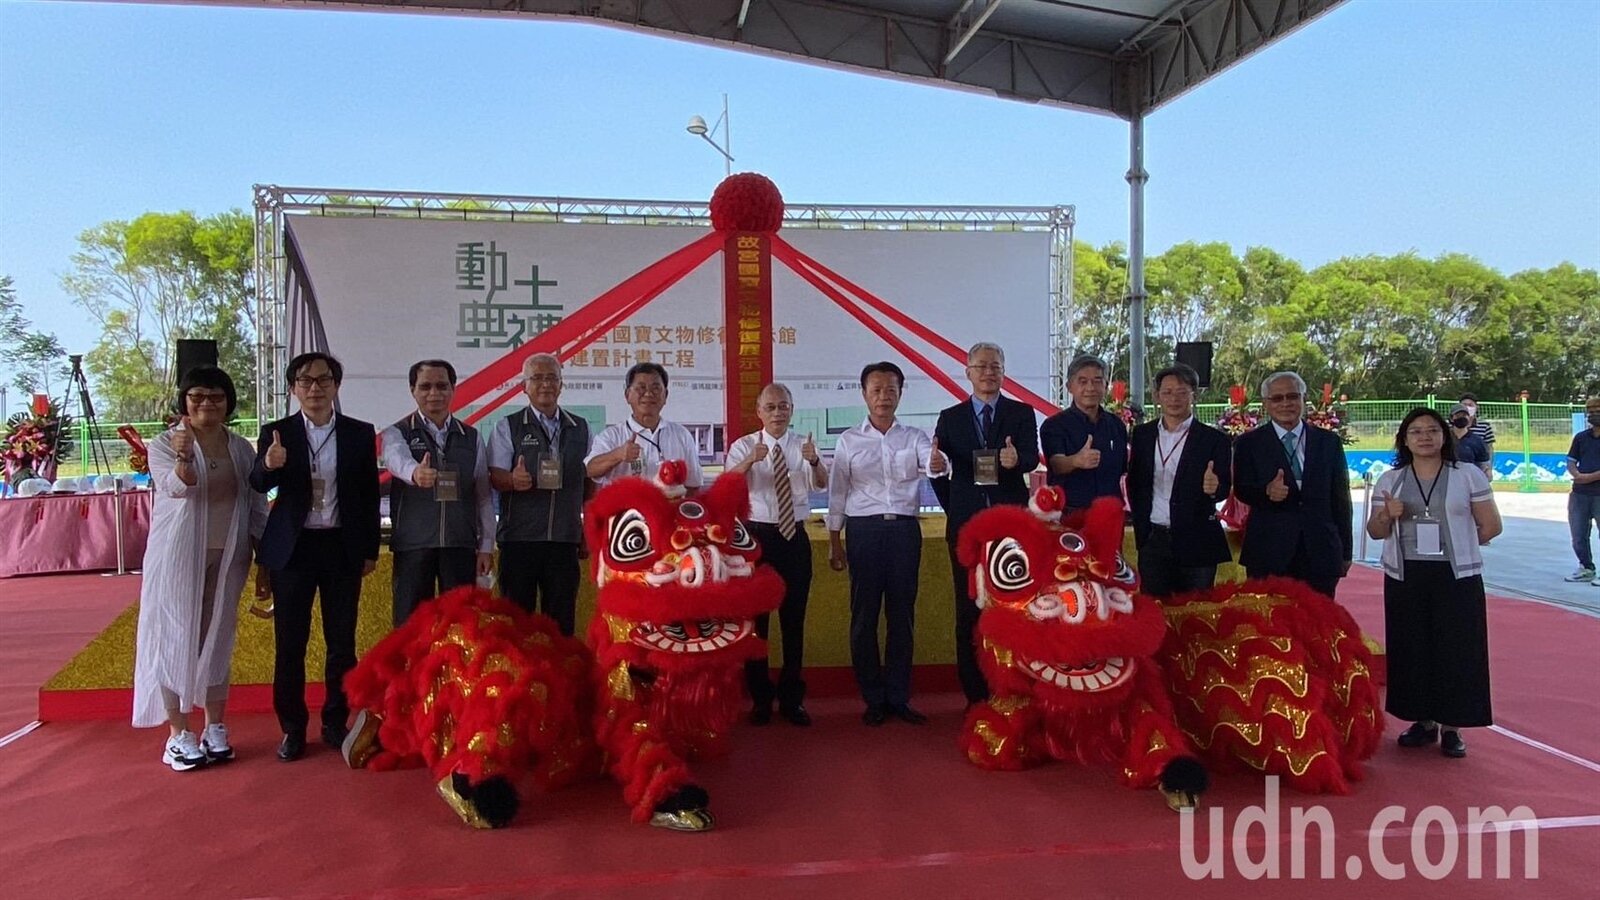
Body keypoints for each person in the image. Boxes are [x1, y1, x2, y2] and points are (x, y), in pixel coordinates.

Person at [133, 366, 267, 770]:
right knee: (176, 635)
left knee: (218, 635)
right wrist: (182, 454)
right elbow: (176, 487)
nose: (207, 404)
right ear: (184, 402)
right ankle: (179, 734)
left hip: (230, 553)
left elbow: (256, 502)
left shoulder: (241, 447)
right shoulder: (163, 444)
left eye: (216, 397)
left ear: (228, 403)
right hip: (178, 555)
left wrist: (265, 556)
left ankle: (215, 727)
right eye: (197, 397)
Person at [250, 352, 381, 762]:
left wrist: (370, 549)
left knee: (341, 643)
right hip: (294, 549)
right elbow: (257, 481)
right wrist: (269, 465)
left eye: (324, 380)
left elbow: (368, 496)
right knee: (291, 643)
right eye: (305, 381)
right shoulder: (277, 432)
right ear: (293, 388)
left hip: (342, 546)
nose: (315, 388)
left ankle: (333, 722)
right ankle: (291, 728)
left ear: (336, 386)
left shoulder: (359, 433)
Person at [1366, 407, 1502, 758]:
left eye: (1432, 430)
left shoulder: (1468, 475)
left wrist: (1460, 541)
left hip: (1456, 575)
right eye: (1416, 432)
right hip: (1406, 574)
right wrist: (1386, 514)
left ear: (1444, 436)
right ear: (1404, 439)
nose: (1424, 437)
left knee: (1456, 649)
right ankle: (1422, 721)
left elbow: (1490, 526)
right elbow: (1375, 531)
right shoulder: (1390, 480)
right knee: (1411, 646)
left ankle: (1452, 726)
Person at [827, 361, 948, 726]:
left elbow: (934, 466)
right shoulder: (849, 440)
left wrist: (939, 462)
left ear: (901, 392)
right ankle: (873, 698)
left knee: (902, 616)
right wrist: (835, 542)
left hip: (903, 533)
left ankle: (898, 696)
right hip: (863, 532)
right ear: (864, 394)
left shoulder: (914, 436)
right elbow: (837, 494)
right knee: (863, 617)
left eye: (890, 389)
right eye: (876, 389)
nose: (884, 396)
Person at [929, 342, 1039, 706]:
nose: (988, 373)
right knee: (968, 609)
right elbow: (939, 470)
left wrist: (1015, 460)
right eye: (981, 367)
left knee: (1014, 606)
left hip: (1011, 525)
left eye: (995, 366)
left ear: (1004, 371)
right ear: (968, 372)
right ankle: (975, 694)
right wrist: (956, 508)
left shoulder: (1021, 414)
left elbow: (1028, 459)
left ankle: (1014, 687)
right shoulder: (950, 417)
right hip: (966, 527)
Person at [725, 383, 827, 726]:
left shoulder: (803, 445)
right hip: (757, 539)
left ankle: (792, 699)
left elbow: (822, 484)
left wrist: (814, 461)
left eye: (783, 406)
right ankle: (760, 699)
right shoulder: (744, 446)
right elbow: (728, 485)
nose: (777, 413)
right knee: (757, 625)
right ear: (759, 412)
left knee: (794, 621)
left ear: (792, 409)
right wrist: (749, 461)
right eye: (770, 407)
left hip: (794, 537)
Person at [380, 359, 495, 626]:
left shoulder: (471, 436)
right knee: (410, 626)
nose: (434, 393)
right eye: (426, 386)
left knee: (461, 623)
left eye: (442, 386)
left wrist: (486, 546)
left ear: (453, 389)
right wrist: (414, 473)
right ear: (413, 390)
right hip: (414, 546)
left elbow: (483, 496)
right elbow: (395, 459)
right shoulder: (397, 432)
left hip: (459, 545)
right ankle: (413, 670)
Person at [488, 353, 592, 634]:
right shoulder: (507, 426)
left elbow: (588, 483)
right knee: (515, 620)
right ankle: (517, 678)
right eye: (537, 378)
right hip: (519, 539)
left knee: (560, 622)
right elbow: (494, 476)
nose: (545, 384)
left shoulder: (580, 427)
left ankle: (558, 678)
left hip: (564, 539)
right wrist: (512, 479)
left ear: (561, 385)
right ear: (524, 386)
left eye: (551, 378)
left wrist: (587, 529)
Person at [1232, 371, 1353, 598]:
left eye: (1292, 396)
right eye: (1277, 398)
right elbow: (1242, 488)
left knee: (1319, 626)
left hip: (1320, 551)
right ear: (1266, 404)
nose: (1286, 403)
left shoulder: (1328, 442)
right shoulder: (1248, 444)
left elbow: (1341, 500)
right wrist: (1266, 492)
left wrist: (1345, 551)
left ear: (1303, 399)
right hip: (1269, 551)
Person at [1126, 363, 1232, 599]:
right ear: (1157, 396)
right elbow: (1135, 483)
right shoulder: (1142, 435)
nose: (1175, 398)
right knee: (1155, 611)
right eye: (1168, 392)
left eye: (1182, 392)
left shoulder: (1214, 439)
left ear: (1194, 395)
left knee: (1196, 614)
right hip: (1154, 540)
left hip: (1198, 541)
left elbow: (1224, 487)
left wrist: (1215, 488)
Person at [586, 362, 703, 492]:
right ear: (627, 395)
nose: (648, 394)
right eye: (641, 388)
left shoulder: (681, 435)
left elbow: (693, 485)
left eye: (656, 388)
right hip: (625, 510)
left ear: (665, 396)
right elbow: (589, 469)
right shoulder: (611, 436)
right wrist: (618, 455)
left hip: (667, 510)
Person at [1039, 355, 1127, 515]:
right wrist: (1075, 461)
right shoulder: (1054, 425)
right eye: (1083, 381)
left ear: (1106, 385)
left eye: (1097, 381)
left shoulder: (1117, 425)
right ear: (1069, 386)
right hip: (1070, 513)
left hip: (1110, 513)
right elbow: (1055, 464)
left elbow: (1123, 469)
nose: (1090, 388)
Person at [1564, 395, 1600, 584]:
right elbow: (1571, 460)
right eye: (1590, 411)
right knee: (1578, 534)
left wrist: (1589, 477)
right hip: (1579, 494)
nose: (1593, 414)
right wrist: (1576, 474)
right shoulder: (1581, 437)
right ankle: (1586, 567)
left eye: (1597, 410)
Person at [1448, 404, 1493, 477]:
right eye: (1458, 415)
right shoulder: (1444, 439)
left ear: (1469, 418)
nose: (1462, 418)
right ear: (1451, 418)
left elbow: (1484, 467)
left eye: (1464, 415)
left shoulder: (1477, 441)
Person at [1458, 393, 1496, 469]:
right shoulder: (1450, 426)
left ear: (1476, 407)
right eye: (1464, 405)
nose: (1467, 408)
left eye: (1470, 405)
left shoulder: (1484, 426)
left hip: (1478, 467)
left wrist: (1489, 467)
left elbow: (1489, 448)